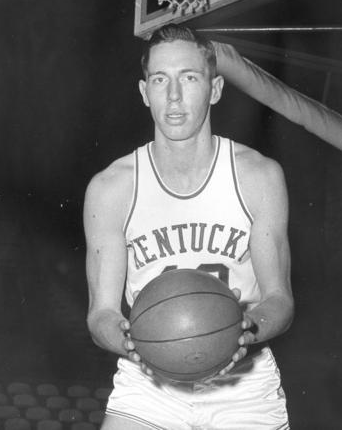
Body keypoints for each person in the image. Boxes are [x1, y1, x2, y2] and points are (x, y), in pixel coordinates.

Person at [84, 24, 294, 430]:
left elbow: (279, 299)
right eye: (160, 80)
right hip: (150, 385)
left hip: (243, 387)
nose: (174, 96)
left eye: (189, 78)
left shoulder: (258, 177)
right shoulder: (111, 188)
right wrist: (132, 343)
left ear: (215, 89)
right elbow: (102, 314)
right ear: (145, 93)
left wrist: (246, 330)